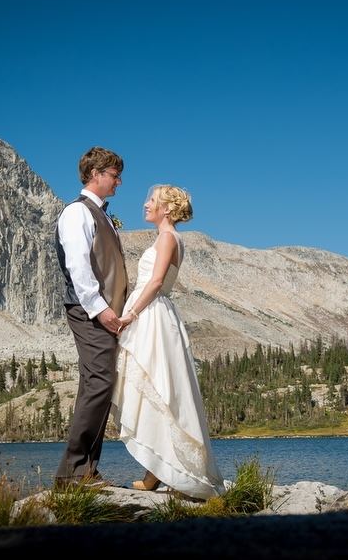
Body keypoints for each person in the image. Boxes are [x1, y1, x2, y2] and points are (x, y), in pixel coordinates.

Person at [111, 184, 225, 499]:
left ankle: (170, 472)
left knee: (158, 392)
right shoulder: (175, 239)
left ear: (166, 209)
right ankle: (156, 471)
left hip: (150, 316)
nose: (145, 204)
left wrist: (129, 314)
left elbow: (157, 281)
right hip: (159, 314)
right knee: (161, 393)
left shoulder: (165, 238)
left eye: (152, 201)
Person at [53, 147, 127, 487]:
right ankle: (74, 473)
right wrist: (101, 310)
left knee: (99, 384)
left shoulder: (102, 215)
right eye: (113, 175)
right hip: (89, 312)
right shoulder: (76, 214)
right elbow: (78, 267)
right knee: (99, 383)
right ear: (95, 174)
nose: (118, 181)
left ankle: (85, 470)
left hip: (102, 312)